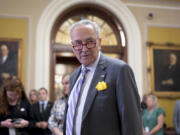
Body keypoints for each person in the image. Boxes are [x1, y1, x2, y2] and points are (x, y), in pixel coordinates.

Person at [63, 19, 142, 135]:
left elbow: (131, 123)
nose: (84, 49)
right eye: (78, 43)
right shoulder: (74, 76)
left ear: (99, 42)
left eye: (89, 41)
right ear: (73, 46)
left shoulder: (119, 70)